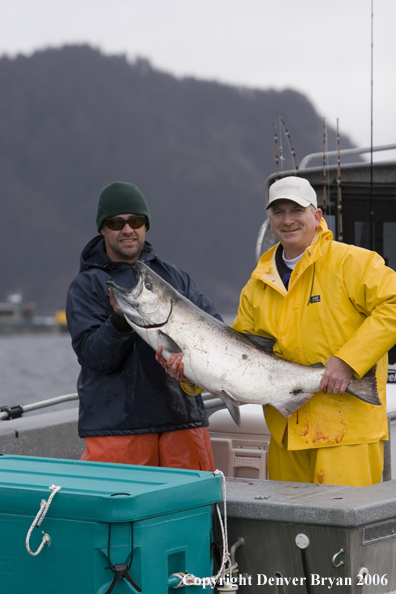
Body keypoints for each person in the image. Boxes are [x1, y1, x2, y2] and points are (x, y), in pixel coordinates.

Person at [232, 175, 396, 486]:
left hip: (347, 435)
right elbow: (236, 352)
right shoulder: (256, 287)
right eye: (278, 211)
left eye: (297, 210)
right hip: (286, 438)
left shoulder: (352, 262)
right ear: (270, 219)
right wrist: (190, 377)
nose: (288, 220)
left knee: (343, 531)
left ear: (317, 216)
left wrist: (348, 361)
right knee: (290, 531)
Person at [66, 181, 221, 470]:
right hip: (117, 431)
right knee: (120, 514)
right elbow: (94, 357)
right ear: (103, 228)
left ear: (145, 225)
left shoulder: (175, 278)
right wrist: (119, 321)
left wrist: (189, 370)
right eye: (116, 222)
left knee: (191, 512)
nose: (127, 229)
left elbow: (215, 335)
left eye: (135, 221)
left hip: (182, 423)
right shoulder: (86, 286)